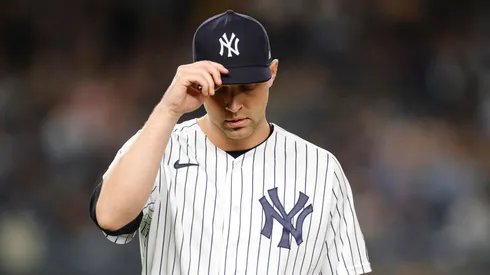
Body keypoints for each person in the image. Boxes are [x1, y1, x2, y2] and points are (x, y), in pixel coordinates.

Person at [89, 10, 371, 275]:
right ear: (197, 85)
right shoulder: (156, 144)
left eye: (247, 88)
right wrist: (168, 109)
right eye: (219, 90)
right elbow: (111, 218)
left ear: (271, 73)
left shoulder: (320, 167)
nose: (234, 105)